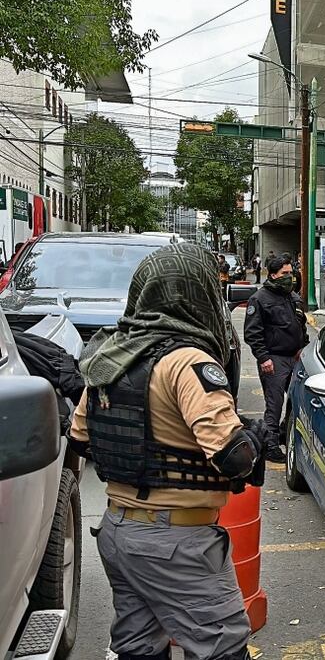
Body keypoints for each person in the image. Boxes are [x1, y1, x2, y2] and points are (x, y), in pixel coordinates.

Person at [69, 243, 263, 660]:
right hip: (177, 541)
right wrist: (256, 437)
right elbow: (234, 456)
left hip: (118, 532)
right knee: (222, 648)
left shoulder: (111, 357)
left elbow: (81, 437)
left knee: (139, 646)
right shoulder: (187, 362)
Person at [244, 256, 309, 462]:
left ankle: (282, 433)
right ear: (273, 275)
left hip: (294, 357)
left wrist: (302, 346)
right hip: (274, 359)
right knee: (275, 405)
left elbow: (301, 325)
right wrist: (264, 358)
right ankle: (270, 445)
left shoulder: (293, 297)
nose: (289, 277)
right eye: (284, 273)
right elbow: (252, 332)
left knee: (299, 399)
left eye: (290, 272)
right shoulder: (260, 299)